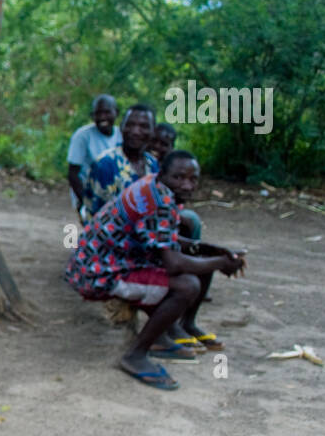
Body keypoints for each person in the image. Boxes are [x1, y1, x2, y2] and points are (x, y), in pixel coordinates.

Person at [64, 150, 247, 391]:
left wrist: (211, 250)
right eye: (179, 178)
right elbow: (174, 263)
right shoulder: (158, 201)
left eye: (193, 179)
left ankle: (162, 336)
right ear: (163, 174)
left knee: (201, 259)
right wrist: (221, 262)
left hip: (106, 261)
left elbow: (162, 237)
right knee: (187, 285)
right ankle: (135, 355)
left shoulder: (154, 185)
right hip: (100, 273)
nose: (187, 185)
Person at [81, 103, 158, 217]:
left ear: (153, 131)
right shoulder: (106, 164)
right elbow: (96, 214)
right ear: (121, 127)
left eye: (144, 126)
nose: (136, 131)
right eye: (130, 125)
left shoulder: (153, 164)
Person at [67, 94, 120, 220]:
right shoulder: (83, 136)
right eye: (98, 113)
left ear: (116, 113)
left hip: (116, 195)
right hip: (90, 193)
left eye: (107, 112)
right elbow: (73, 173)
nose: (102, 117)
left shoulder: (122, 134)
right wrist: (85, 202)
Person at [148, 122, 203, 242]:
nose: (157, 147)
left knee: (191, 220)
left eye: (163, 144)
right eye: (154, 141)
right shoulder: (143, 164)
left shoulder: (174, 166)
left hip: (167, 210)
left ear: (171, 147)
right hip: (148, 213)